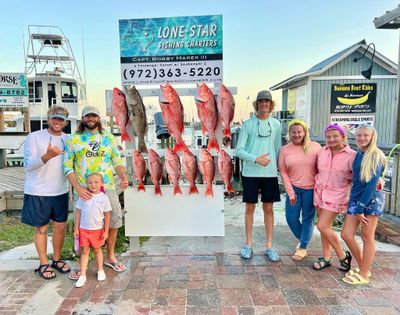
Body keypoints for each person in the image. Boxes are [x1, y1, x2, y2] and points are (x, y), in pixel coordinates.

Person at [64, 105, 129, 279]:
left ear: (98, 118)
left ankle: (110, 256)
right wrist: (78, 188)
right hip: (84, 189)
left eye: (94, 116)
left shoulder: (108, 138)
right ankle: (82, 262)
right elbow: (67, 167)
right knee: (81, 224)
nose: (90, 119)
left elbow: (116, 160)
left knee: (114, 219)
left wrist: (123, 176)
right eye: (87, 116)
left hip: (106, 186)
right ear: (82, 119)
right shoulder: (74, 140)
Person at [21, 106, 71, 279]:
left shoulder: (69, 139)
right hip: (38, 191)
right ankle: (43, 263)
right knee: (41, 228)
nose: (57, 122)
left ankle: (56, 260)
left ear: (66, 121)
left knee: (60, 227)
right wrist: (47, 156)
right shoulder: (34, 137)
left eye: (61, 119)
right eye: (54, 118)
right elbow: (26, 165)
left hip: (61, 191)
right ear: (48, 119)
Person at [236, 90, 282, 261]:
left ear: (271, 105)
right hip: (250, 173)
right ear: (257, 104)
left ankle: (269, 246)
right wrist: (256, 159)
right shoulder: (248, 125)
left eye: (267, 102)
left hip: (270, 174)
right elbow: (239, 151)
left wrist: (282, 170)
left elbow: (277, 149)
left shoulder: (276, 124)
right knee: (249, 208)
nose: (264, 104)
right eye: (261, 101)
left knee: (269, 209)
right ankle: (248, 244)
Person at [341, 124, 386, 285]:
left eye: (365, 135)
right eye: (359, 135)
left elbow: (371, 185)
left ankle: (365, 273)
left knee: (367, 237)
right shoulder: (360, 153)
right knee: (346, 234)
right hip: (356, 199)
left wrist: (360, 208)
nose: (361, 138)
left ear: (372, 136)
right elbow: (357, 181)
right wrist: (353, 202)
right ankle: (363, 266)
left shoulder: (376, 155)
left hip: (370, 201)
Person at [313, 124, 356, 271]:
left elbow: (358, 176)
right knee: (325, 228)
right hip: (319, 193)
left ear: (343, 137)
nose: (331, 139)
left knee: (322, 226)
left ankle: (343, 255)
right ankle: (326, 257)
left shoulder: (352, 155)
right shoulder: (321, 152)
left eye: (335, 136)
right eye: (328, 137)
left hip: (337, 195)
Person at [278, 119, 321, 261]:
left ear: (305, 132)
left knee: (308, 218)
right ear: (289, 133)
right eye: (293, 132)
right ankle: (304, 239)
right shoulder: (284, 150)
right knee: (291, 218)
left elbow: (325, 166)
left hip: (311, 190)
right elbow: (283, 172)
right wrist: (290, 192)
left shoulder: (315, 147)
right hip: (294, 189)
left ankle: (302, 247)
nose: (296, 135)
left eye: (299, 132)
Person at [74, 173, 111, 288]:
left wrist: (106, 231)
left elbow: (107, 215)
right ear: (87, 184)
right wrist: (76, 228)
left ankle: (100, 270)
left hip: (97, 230)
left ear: (101, 183)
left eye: (96, 182)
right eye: (90, 182)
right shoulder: (83, 196)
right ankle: (83, 275)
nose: (93, 184)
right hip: (84, 229)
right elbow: (78, 212)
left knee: (97, 250)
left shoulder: (104, 198)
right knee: (84, 251)